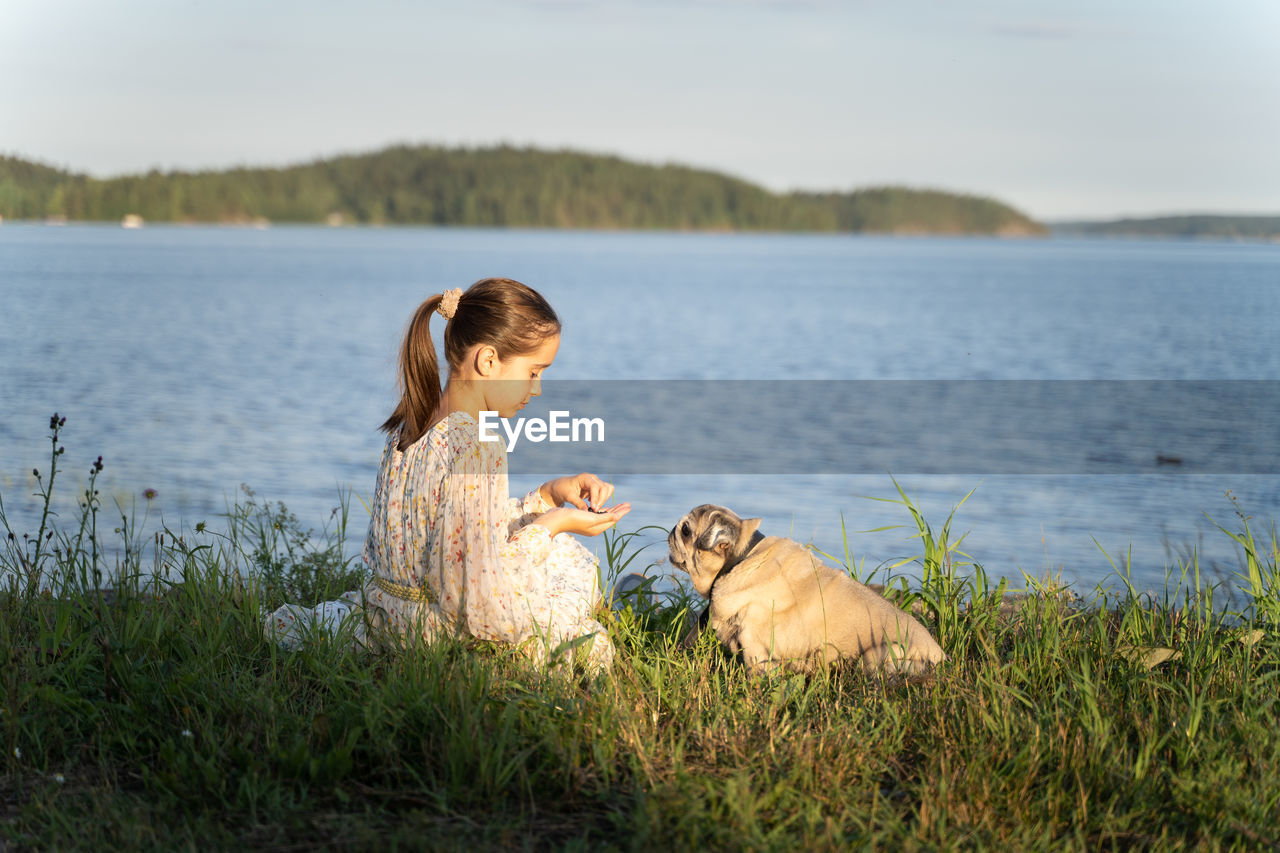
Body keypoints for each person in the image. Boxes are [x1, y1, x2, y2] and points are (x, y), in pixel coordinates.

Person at [264, 277, 631, 672]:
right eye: (534, 372)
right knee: (571, 566)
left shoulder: (411, 425)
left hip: (388, 618)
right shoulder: (477, 445)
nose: (537, 389)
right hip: (437, 633)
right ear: (488, 360)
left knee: (554, 555)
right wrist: (554, 525)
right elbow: (477, 598)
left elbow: (457, 525)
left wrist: (547, 495)